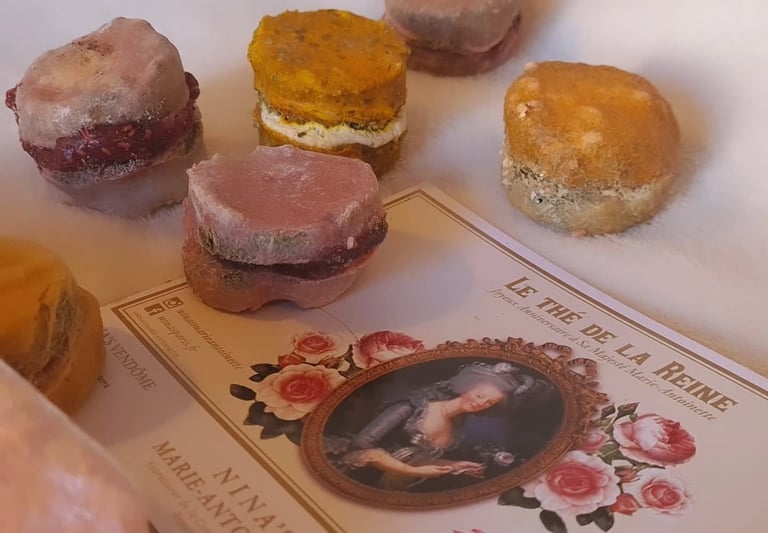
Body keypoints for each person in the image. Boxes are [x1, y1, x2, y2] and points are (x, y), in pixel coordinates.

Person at [325, 361, 553, 492]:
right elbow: (360, 445)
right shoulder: (411, 407)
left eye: (489, 402)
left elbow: (417, 457)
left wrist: (453, 465)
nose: (480, 403)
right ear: (468, 386)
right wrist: (410, 471)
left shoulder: (457, 425)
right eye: (480, 395)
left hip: (390, 486)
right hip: (354, 476)